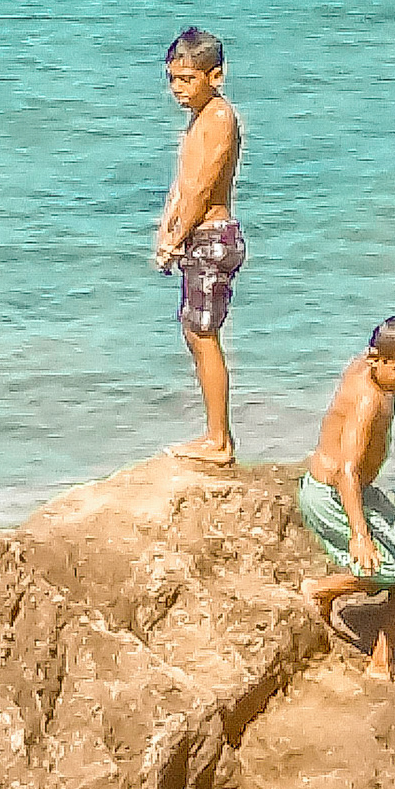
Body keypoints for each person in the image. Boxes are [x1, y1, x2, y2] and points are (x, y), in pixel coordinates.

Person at [300, 313, 395, 676]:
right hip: (332, 493)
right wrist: (360, 536)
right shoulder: (368, 400)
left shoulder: (374, 367)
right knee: (385, 569)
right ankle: (320, 591)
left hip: (360, 489)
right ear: (377, 359)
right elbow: (347, 470)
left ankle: (382, 662)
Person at [151, 27, 247, 467]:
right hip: (196, 233)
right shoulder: (197, 121)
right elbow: (182, 182)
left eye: (188, 79)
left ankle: (219, 440)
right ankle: (215, 435)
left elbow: (204, 187)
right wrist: (165, 228)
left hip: (213, 235)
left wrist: (176, 237)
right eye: (173, 78)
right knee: (194, 331)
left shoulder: (220, 118)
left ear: (217, 76)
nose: (178, 88)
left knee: (203, 334)